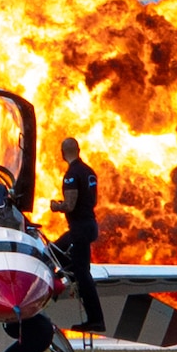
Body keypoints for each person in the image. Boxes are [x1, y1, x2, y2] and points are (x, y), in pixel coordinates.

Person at [50, 137, 105, 333]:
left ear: (63, 153)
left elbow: (70, 204)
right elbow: (94, 200)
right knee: (54, 251)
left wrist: (57, 206)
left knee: (82, 274)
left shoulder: (71, 174)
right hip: (89, 225)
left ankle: (96, 320)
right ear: (79, 150)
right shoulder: (89, 172)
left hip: (80, 229)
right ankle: (69, 271)